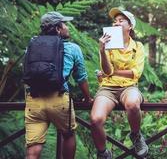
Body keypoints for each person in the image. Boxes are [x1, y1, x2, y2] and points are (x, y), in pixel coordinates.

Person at [25, 11, 93, 159]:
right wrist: (88, 98)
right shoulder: (72, 48)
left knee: (33, 148)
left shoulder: (32, 45)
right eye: (65, 24)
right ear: (57, 28)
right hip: (59, 98)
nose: (67, 27)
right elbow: (81, 77)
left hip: (34, 99)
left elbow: (28, 72)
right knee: (68, 135)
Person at [91, 8, 148, 159]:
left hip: (129, 87)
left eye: (121, 20)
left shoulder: (138, 47)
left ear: (130, 26)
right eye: (115, 21)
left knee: (133, 104)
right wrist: (102, 51)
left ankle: (136, 136)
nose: (116, 23)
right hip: (108, 88)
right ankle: (103, 152)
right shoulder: (107, 45)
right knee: (96, 119)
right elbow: (106, 70)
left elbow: (136, 73)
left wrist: (112, 72)